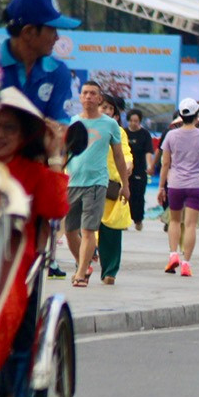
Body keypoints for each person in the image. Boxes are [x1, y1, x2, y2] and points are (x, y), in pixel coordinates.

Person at [0, 90, 69, 368]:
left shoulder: (33, 172)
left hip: (14, 260)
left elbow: (55, 209)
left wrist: (54, 156)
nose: (0, 134)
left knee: (5, 307)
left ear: (22, 137)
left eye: (10, 128)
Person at [65, 81, 130, 287]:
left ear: (99, 98)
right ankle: (82, 263)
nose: (89, 97)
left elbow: (119, 156)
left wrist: (125, 185)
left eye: (93, 93)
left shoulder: (110, 125)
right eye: (85, 93)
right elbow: (63, 152)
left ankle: (81, 273)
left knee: (88, 230)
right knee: (69, 230)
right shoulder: (73, 122)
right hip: (72, 181)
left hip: (97, 183)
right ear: (80, 97)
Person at [0, 0, 80, 123]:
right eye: (52, 29)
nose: (57, 37)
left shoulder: (58, 72)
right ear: (28, 32)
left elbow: (59, 127)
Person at [157, 97, 199, 277]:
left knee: (174, 221)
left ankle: (173, 254)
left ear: (181, 116)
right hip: (196, 184)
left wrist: (161, 187)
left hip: (175, 184)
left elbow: (165, 163)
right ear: (198, 115)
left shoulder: (171, 135)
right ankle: (186, 263)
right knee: (190, 225)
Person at [97, 93, 133, 285]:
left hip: (111, 186)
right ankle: (83, 265)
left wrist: (128, 164)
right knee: (84, 230)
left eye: (110, 108)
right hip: (88, 183)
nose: (107, 110)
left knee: (111, 230)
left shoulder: (119, 131)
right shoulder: (84, 126)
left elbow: (125, 152)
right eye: (103, 106)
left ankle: (110, 271)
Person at [124, 108, 155, 230]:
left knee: (138, 195)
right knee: (126, 195)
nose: (133, 123)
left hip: (139, 169)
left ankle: (138, 219)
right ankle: (125, 220)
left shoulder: (145, 134)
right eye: (131, 120)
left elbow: (148, 152)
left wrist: (149, 165)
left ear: (140, 121)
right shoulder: (124, 133)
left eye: (136, 121)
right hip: (125, 169)